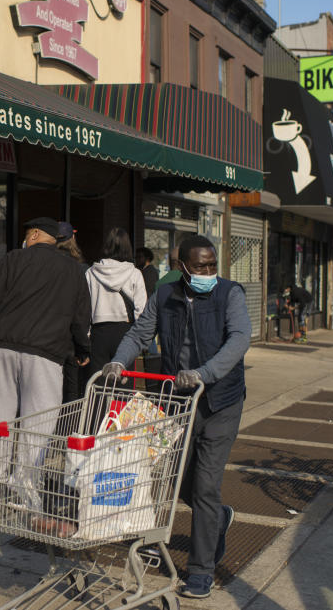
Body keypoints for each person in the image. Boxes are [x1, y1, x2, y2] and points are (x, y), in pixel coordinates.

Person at [102, 235, 250, 600]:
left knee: (205, 486)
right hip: (178, 402)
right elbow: (139, 333)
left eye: (212, 265)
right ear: (181, 266)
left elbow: (239, 340)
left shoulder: (229, 294)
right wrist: (119, 360)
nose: (207, 272)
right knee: (174, 475)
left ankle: (201, 570)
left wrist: (204, 372)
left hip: (219, 402)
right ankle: (216, 518)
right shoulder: (165, 295)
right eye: (199, 266)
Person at [0, 217, 90, 501]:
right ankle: (25, 481)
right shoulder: (73, 269)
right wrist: (82, 350)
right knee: (40, 418)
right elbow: (80, 316)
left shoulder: (13, 259)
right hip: (45, 353)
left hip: (1, 346)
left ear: (34, 234)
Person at [87, 228, 147, 377]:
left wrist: (86, 334)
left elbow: (85, 308)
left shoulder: (91, 272)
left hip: (98, 332)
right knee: (123, 387)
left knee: (97, 385)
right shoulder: (135, 273)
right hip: (125, 333)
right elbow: (141, 310)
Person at [56, 221, 90, 403]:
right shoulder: (80, 269)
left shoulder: (44, 264)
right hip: (68, 339)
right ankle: (65, 430)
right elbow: (81, 311)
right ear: (73, 239)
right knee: (70, 393)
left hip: (44, 339)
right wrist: (83, 347)